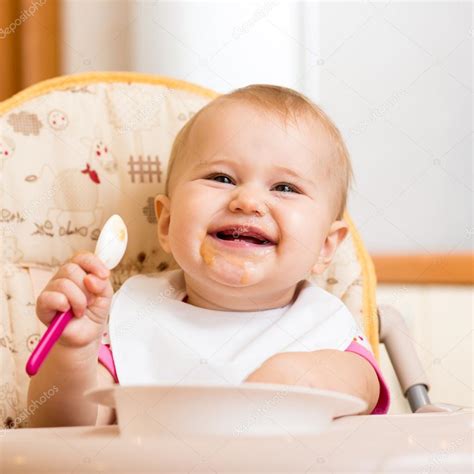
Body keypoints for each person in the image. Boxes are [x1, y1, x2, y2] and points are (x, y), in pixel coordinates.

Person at [28, 84, 390, 427]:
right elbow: (61, 430)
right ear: (167, 224)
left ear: (326, 247)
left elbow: (366, 389)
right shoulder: (138, 317)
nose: (247, 201)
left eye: (284, 187)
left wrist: (301, 379)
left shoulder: (322, 327)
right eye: (221, 178)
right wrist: (72, 351)